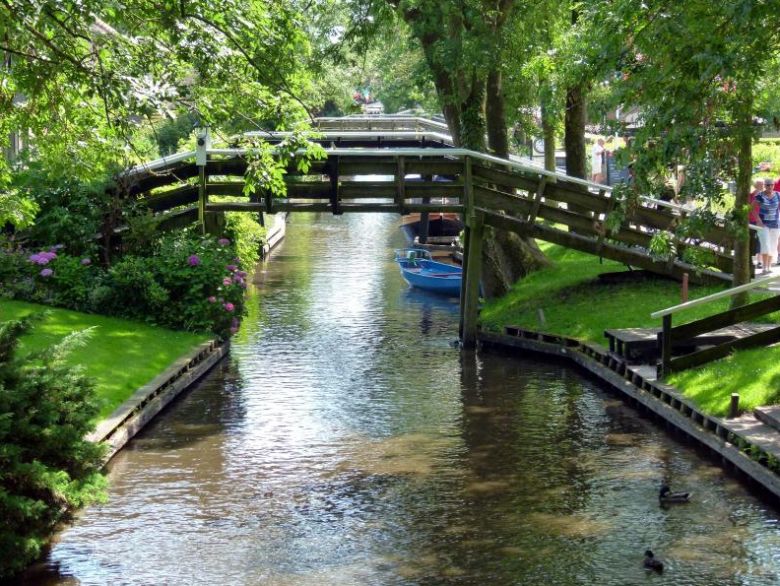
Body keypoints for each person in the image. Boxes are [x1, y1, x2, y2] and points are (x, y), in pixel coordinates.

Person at [755, 178, 780, 275]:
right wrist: (758, 219)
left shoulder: (778, 195)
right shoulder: (760, 196)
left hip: (775, 224)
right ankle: (764, 267)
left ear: (774, 185)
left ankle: (769, 266)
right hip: (763, 225)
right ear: (764, 185)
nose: (770, 187)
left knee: (773, 246)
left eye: (771, 185)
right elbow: (752, 208)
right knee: (765, 244)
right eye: (768, 185)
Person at [749, 179, 763, 267]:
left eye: (762, 185)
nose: (762, 186)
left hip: (760, 222)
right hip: (751, 221)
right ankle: (750, 260)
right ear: (756, 185)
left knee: (760, 241)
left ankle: (759, 261)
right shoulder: (750, 195)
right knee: (751, 240)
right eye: (760, 184)